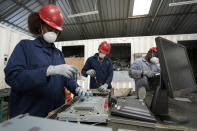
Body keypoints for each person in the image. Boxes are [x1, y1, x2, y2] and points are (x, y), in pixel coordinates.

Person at [4, 4, 91, 118]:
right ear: (40, 25)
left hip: (55, 114)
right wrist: (47, 71)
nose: (53, 33)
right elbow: (12, 77)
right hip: (30, 116)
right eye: (49, 28)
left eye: (56, 30)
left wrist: (76, 87)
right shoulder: (25, 47)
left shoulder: (58, 54)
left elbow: (64, 79)